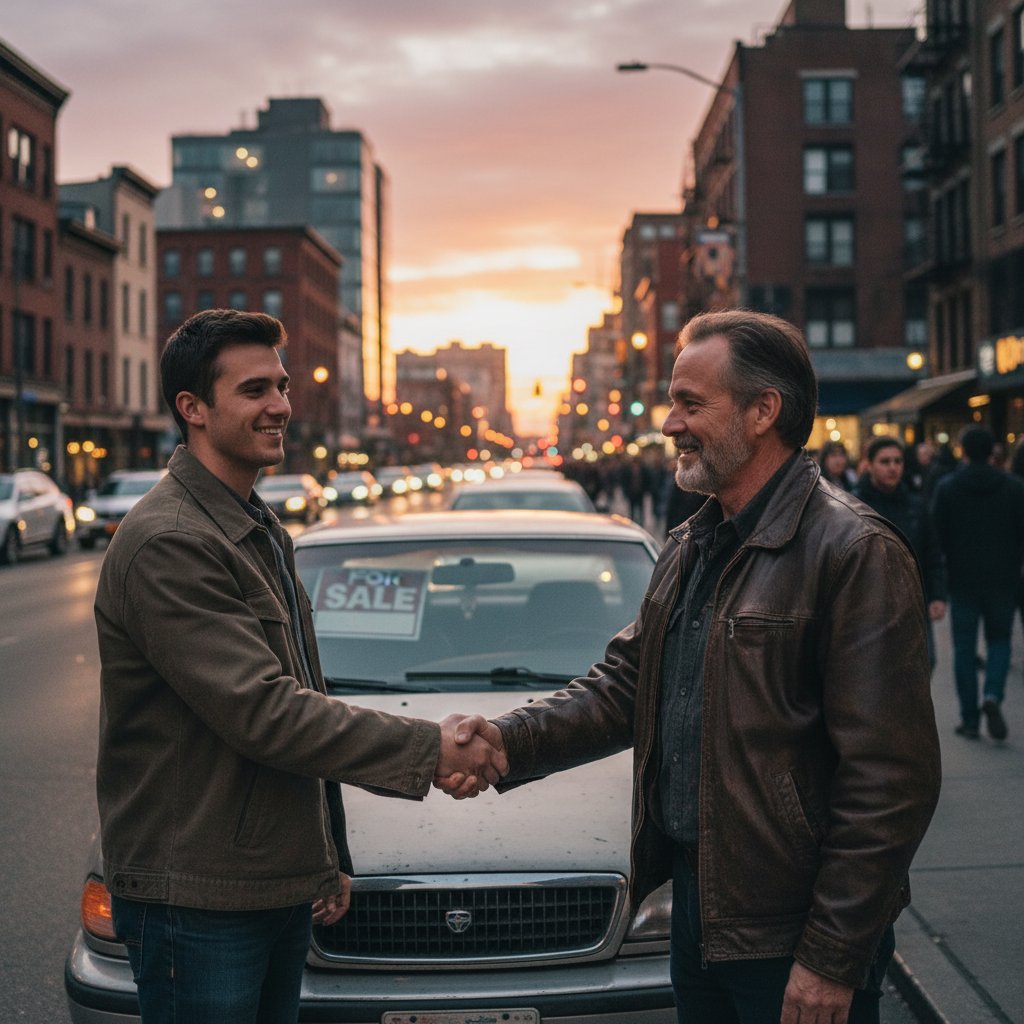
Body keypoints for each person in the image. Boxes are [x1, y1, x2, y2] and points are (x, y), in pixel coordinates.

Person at [440, 310, 941, 1024]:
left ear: (763, 411)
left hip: (791, 932)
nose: (669, 424)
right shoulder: (691, 541)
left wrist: (832, 954)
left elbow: (892, 780)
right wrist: (506, 740)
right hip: (701, 914)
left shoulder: (853, 552)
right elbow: (625, 685)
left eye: (691, 404)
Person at [94, 309, 506, 1023]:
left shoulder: (254, 527)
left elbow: (299, 696)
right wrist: (431, 749)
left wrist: (326, 855)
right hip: (196, 898)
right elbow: (264, 711)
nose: (282, 405)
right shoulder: (171, 541)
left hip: (262, 882)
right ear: (192, 408)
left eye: (281, 387)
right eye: (255, 390)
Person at [932, 426, 1024, 741]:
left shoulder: (948, 487)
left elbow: (938, 535)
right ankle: (993, 695)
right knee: (1000, 641)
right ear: (993, 451)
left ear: (964, 451)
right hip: (1003, 577)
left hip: (963, 578)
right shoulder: (1013, 487)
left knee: (964, 647)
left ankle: (969, 718)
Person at [853, 437, 947, 669]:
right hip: (868, 605)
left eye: (897, 461)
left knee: (924, 663)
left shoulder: (916, 505)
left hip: (912, 603)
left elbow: (932, 553)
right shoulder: (854, 505)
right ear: (870, 464)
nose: (893, 467)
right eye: (885, 461)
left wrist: (937, 595)